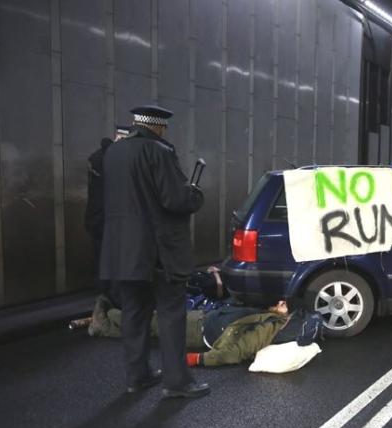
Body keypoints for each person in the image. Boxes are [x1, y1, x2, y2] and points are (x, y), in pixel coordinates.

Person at [99, 105, 209, 399]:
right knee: (172, 313)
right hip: (159, 251)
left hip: (123, 251)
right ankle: (176, 382)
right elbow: (174, 200)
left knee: (134, 312)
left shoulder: (114, 153)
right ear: (159, 127)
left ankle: (138, 376)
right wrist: (195, 195)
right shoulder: (159, 151)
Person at [88, 298, 291, 367]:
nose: (281, 302)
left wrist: (193, 360)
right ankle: (110, 319)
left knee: (150, 322)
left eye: (284, 306)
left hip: (198, 330)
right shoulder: (269, 319)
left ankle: (105, 323)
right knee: (153, 321)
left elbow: (230, 352)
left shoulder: (268, 329)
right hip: (203, 319)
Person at [85, 126, 130, 297]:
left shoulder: (99, 157)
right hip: (107, 220)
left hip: (98, 219)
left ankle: (104, 297)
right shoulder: (111, 158)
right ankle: (108, 298)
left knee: (102, 261)